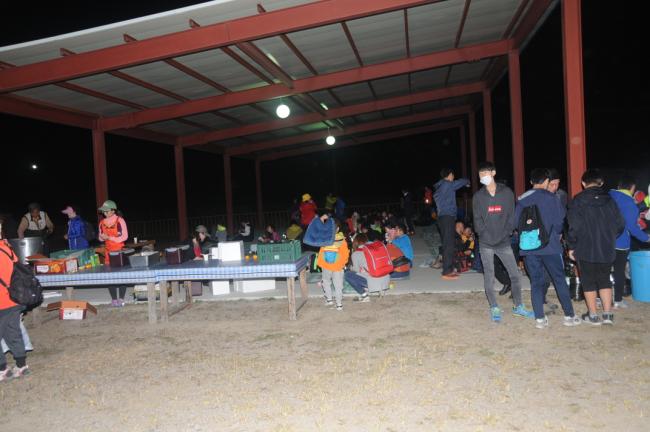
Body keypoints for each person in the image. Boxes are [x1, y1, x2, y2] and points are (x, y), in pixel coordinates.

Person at [515, 168, 581, 329]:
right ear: (546, 181)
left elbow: (515, 223)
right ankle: (569, 316)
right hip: (551, 246)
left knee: (536, 282)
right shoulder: (552, 198)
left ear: (531, 182)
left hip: (529, 247)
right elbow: (560, 223)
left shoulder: (522, 199)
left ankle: (540, 319)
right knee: (559, 280)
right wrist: (556, 234)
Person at [472, 161, 534, 322]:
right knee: (489, 276)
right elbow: (477, 219)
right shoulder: (478, 196)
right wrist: (482, 234)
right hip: (486, 243)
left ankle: (518, 306)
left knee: (515, 275)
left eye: (485, 173)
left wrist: (506, 232)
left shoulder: (506, 193)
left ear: (493, 173)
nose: (483, 177)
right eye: (480, 175)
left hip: (503, 242)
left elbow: (511, 216)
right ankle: (494, 307)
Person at [567, 169, 625, 325]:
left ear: (583, 183)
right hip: (606, 247)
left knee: (588, 281)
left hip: (584, 247)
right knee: (605, 279)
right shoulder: (611, 201)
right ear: (601, 183)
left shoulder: (578, 200)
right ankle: (608, 315)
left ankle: (592, 316)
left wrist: (571, 245)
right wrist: (609, 236)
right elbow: (620, 224)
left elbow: (574, 226)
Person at [609, 175, 650, 309]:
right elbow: (632, 227)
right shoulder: (629, 203)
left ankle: (600, 298)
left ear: (619, 186)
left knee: (603, 271)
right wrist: (646, 238)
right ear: (632, 188)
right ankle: (618, 300)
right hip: (620, 242)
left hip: (604, 241)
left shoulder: (608, 196)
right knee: (619, 271)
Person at [0, 239, 30, 380]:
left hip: (2, 301)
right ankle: (21, 366)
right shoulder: (6, 247)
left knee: (11, 333)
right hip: (14, 298)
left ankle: (2, 370)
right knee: (13, 333)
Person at [433, 169, 470, 280]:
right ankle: (447, 271)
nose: (453, 177)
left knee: (447, 244)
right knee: (449, 245)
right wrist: (467, 181)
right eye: (453, 175)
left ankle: (448, 268)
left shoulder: (440, 186)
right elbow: (461, 182)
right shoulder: (447, 184)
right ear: (449, 175)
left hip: (442, 218)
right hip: (447, 217)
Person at [98, 200, 129, 307]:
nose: (105, 213)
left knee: (121, 275)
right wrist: (102, 237)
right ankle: (114, 299)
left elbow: (125, 237)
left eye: (107, 211)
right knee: (109, 276)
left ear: (113, 210)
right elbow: (100, 238)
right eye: (103, 211)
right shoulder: (102, 223)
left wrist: (110, 237)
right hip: (108, 252)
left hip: (119, 251)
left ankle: (121, 298)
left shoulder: (120, 220)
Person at [344, 233, 390, 302]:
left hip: (374, 281)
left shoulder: (356, 253)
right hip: (385, 279)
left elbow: (356, 270)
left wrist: (350, 267)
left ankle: (364, 295)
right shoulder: (376, 248)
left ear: (356, 242)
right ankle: (379, 289)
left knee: (348, 274)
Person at [317, 216, 349, 311]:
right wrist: (343, 264)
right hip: (338, 266)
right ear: (337, 229)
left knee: (326, 282)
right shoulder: (342, 240)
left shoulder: (324, 238)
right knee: (338, 286)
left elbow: (321, 252)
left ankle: (329, 300)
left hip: (326, 265)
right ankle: (339, 304)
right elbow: (346, 254)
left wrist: (320, 263)